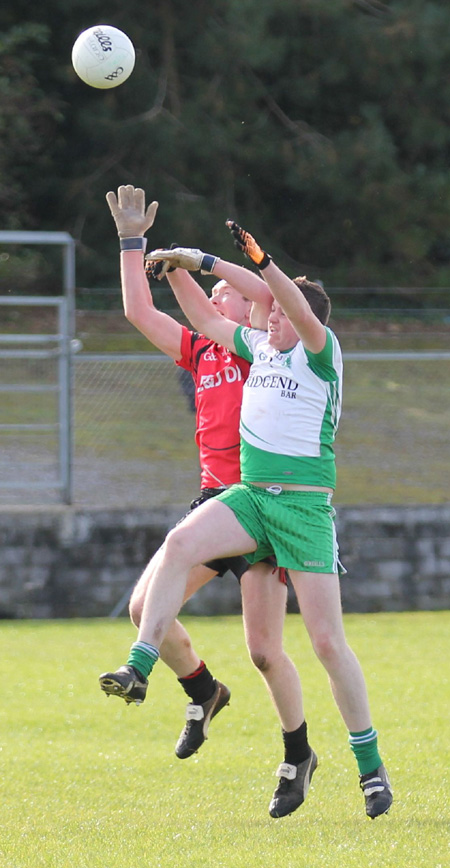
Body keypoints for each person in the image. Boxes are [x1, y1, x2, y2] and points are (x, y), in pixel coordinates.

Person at [101, 205, 393, 821]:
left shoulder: (320, 350)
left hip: (305, 511)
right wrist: (174, 262)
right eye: (273, 313)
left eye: (284, 312)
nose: (275, 318)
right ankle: (142, 666)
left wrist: (230, 261)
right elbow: (204, 315)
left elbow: (276, 294)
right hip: (250, 499)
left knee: (325, 645)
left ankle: (370, 768)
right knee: (179, 544)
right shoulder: (257, 346)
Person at [100, 186, 309, 812]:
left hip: (264, 509)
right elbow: (140, 312)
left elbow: (270, 294)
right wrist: (132, 245)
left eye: (229, 292)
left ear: (252, 304)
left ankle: (298, 753)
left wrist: (197, 263)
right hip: (216, 505)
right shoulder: (202, 351)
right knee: (144, 609)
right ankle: (203, 690)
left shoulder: (273, 350)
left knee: (266, 653)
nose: (219, 296)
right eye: (217, 292)